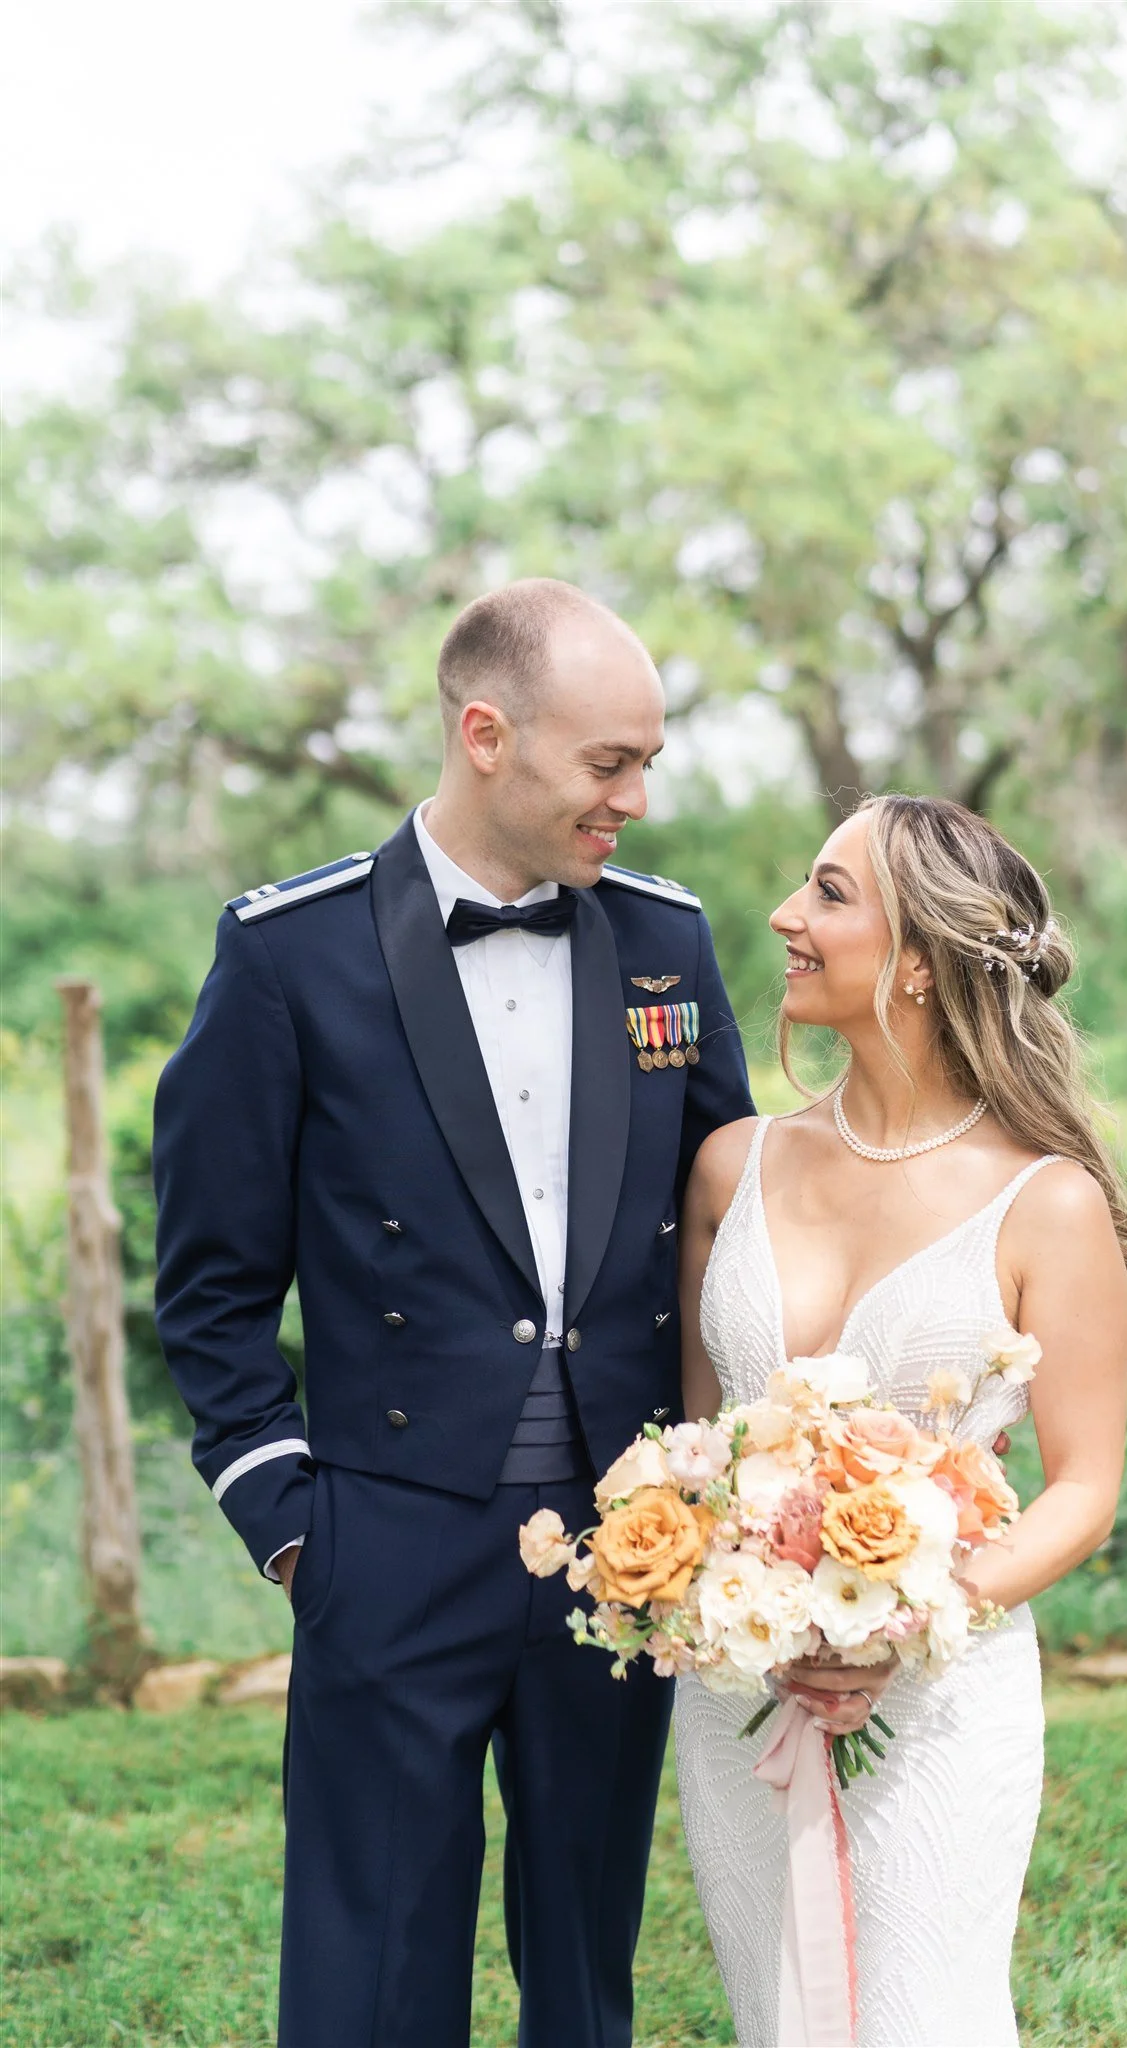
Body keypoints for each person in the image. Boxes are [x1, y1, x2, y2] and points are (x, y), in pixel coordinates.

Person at [152, 578, 755, 2048]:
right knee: (369, 1981)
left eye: (648, 761)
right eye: (609, 763)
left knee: (585, 1973)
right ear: (485, 733)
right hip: (387, 1537)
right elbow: (213, 1280)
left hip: (625, 1541)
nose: (636, 798)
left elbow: (733, 1228)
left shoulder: (667, 941)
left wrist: (720, 1486)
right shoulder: (289, 954)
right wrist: (290, 1518)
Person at [674, 793, 1127, 2048]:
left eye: (829, 893)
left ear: (921, 960)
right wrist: (701, 1586)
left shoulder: (1047, 1203)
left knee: (920, 2016)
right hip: (742, 1689)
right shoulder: (732, 1167)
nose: (785, 916)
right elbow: (693, 1452)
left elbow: (1084, 1486)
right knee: (773, 2010)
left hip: (938, 1689)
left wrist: (907, 1620)